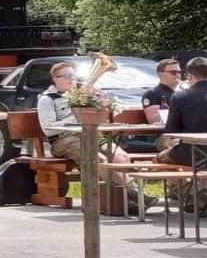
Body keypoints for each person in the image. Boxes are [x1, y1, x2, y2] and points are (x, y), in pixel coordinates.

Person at [37, 60, 148, 209]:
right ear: (55, 78)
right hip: (64, 140)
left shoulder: (83, 95)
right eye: (67, 76)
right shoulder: (47, 99)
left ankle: (124, 201)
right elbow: (48, 128)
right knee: (96, 159)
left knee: (122, 157)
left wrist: (99, 106)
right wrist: (77, 117)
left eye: (73, 75)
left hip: (92, 135)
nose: (72, 79)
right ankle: (134, 195)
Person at [161, 56, 207, 214]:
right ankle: (202, 191)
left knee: (160, 155)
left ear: (190, 76)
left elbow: (171, 131)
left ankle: (189, 194)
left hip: (189, 153)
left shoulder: (180, 96)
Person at [123, 58, 183, 155]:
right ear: (160, 74)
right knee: (180, 147)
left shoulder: (184, 92)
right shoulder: (153, 94)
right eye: (173, 72)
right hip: (165, 136)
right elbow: (154, 120)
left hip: (185, 134)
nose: (178, 75)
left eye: (179, 72)